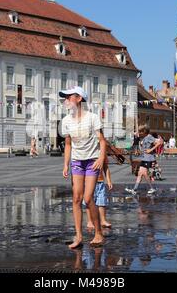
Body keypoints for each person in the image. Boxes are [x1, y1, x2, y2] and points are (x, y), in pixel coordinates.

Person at [60, 86, 106, 249]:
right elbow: (67, 144)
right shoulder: (65, 121)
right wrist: (66, 164)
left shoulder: (92, 118)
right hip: (77, 162)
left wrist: (101, 158)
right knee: (76, 198)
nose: (65, 100)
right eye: (64, 98)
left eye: (68, 97)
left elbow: (102, 141)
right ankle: (79, 236)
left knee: (88, 198)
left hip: (92, 161)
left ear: (79, 98)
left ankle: (98, 233)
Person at [126, 125, 158, 196]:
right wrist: (139, 151)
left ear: (144, 131)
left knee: (144, 173)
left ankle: (152, 188)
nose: (139, 133)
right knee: (140, 174)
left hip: (149, 158)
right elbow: (144, 147)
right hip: (144, 158)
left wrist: (151, 150)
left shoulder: (149, 137)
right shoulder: (144, 138)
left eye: (140, 131)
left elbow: (159, 143)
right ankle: (134, 190)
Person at [85, 157, 113, 229]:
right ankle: (90, 221)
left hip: (100, 182)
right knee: (88, 201)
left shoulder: (102, 154)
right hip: (88, 181)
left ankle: (103, 220)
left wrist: (109, 181)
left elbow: (106, 168)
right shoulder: (88, 153)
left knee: (102, 202)